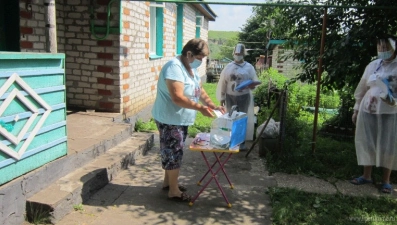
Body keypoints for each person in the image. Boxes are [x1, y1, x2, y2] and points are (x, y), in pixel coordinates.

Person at [151, 38, 225, 202]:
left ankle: (168, 183)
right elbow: (177, 97)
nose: (201, 62)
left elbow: (199, 89)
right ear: (189, 54)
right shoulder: (174, 67)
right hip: (170, 118)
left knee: (171, 151)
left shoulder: (190, 68)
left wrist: (212, 106)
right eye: (200, 58)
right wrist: (200, 108)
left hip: (180, 119)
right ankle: (174, 191)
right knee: (173, 152)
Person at [350, 36, 397, 194]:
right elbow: (362, 88)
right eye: (380, 48)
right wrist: (356, 109)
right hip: (368, 110)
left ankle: (386, 180)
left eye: (386, 48)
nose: (382, 51)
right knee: (367, 141)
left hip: (390, 112)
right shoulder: (372, 65)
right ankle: (366, 175)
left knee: (388, 145)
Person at [215, 43, 259, 150]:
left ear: (243, 54)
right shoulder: (228, 67)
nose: (238, 55)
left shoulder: (249, 67)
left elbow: (254, 82)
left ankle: (241, 142)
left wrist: (251, 86)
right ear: (234, 53)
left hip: (244, 97)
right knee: (230, 118)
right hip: (230, 96)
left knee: (241, 119)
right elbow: (223, 83)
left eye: (240, 53)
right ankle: (230, 140)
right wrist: (222, 98)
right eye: (236, 53)